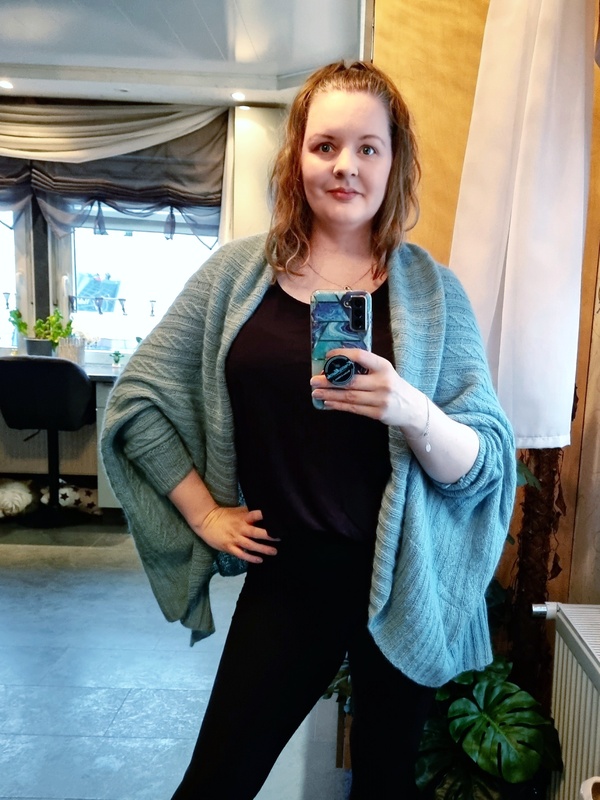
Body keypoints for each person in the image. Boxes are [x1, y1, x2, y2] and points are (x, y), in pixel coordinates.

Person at [101, 60, 516, 799]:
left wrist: (410, 407)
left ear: (394, 161)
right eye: (326, 145)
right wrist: (204, 513)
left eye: (367, 147)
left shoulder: (434, 293)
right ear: (298, 156)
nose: (345, 166)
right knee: (215, 784)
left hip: (401, 580)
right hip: (287, 578)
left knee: (385, 787)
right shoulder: (236, 276)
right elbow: (137, 402)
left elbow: (485, 464)